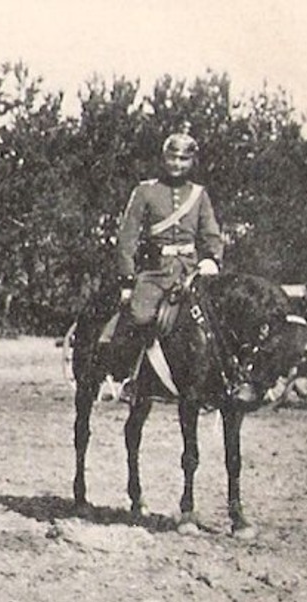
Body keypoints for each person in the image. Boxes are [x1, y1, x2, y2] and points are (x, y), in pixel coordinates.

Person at [107, 126, 227, 401]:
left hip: (192, 271)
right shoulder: (145, 192)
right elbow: (127, 238)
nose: (177, 164)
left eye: (183, 159)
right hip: (156, 272)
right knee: (139, 314)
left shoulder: (198, 194)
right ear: (164, 159)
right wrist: (127, 280)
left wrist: (212, 259)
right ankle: (131, 378)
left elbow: (211, 233)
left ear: (192, 162)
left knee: (218, 317)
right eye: (172, 158)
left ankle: (219, 380)